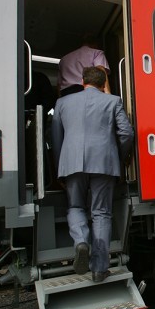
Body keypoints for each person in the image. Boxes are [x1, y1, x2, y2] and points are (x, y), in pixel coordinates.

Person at [52, 66, 134, 283]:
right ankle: (99, 269)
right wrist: (119, 156)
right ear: (103, 83)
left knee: (76, 207)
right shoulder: (113, 101)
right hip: (104, 163)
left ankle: (81, 241)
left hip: (71, 164)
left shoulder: (63, 103)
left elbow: (56, 139)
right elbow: (126, 133)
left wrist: (60, 169)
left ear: (82, 81)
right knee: (101, 213)